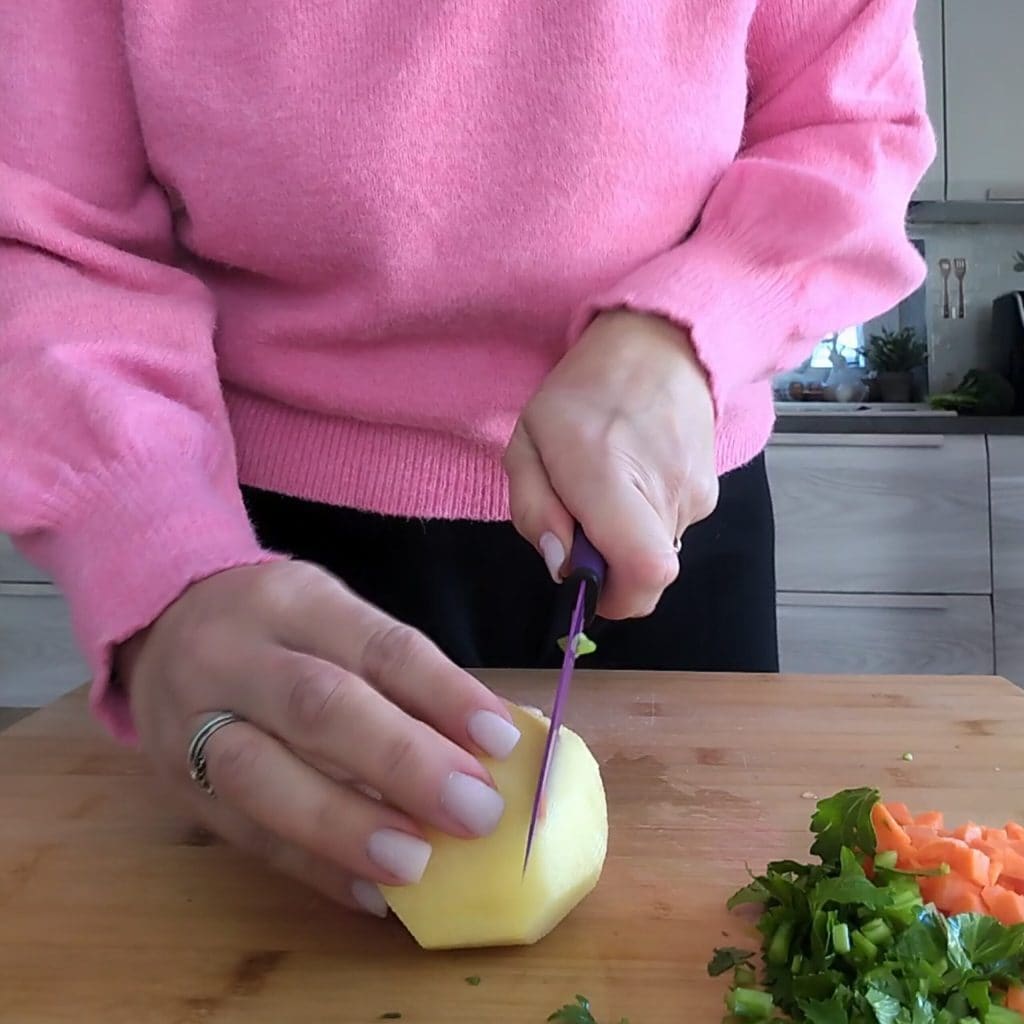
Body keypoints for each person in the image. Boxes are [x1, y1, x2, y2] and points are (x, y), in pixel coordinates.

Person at [0, 1, 934, 917]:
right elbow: (49, 243)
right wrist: (161, 563)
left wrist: (692, 327)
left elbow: (852, 122)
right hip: (259, 567)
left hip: (670, 505)